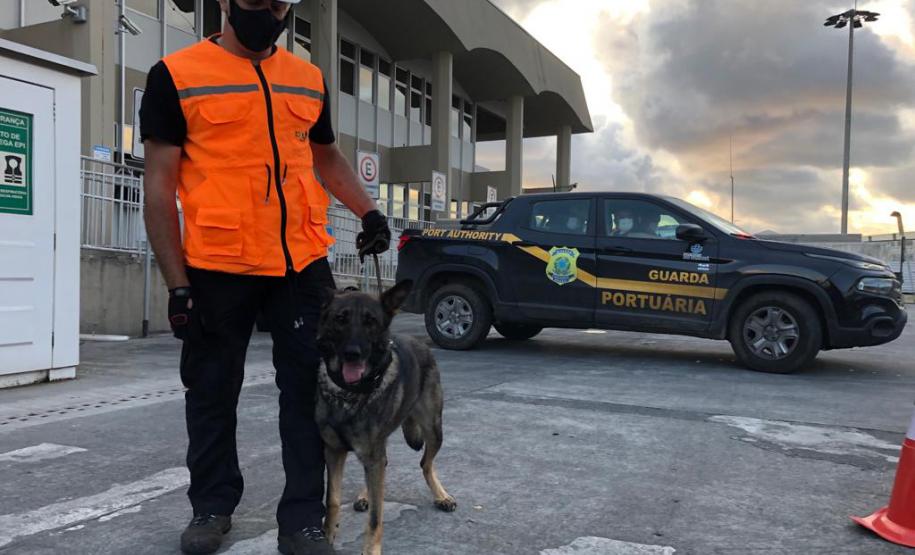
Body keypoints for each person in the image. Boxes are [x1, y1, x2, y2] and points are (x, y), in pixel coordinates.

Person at [140, 1, 389, 553]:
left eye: (280, 4)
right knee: (211, 390)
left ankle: (302, 519)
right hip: (217, 265)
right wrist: (177, 284)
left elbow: (325, 156)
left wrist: (368, 211)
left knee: (308, 392)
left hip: (300, 263)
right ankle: (211, 507)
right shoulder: (176, 76)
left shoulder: (307, 78)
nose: (270, 14)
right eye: (257, 2)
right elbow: (158, 186)